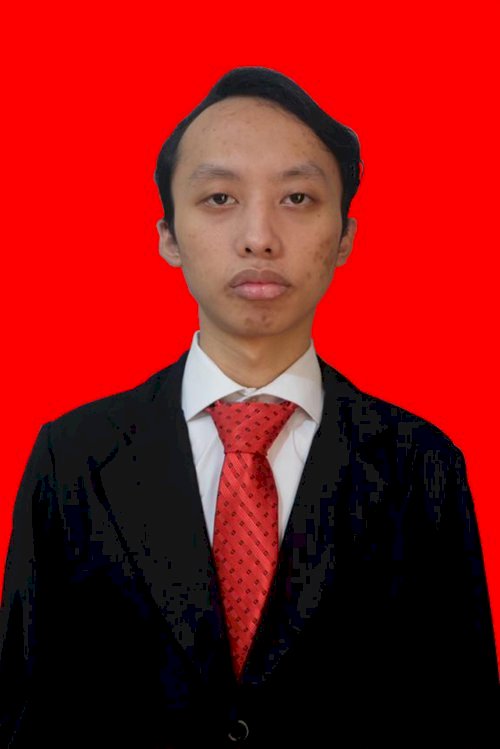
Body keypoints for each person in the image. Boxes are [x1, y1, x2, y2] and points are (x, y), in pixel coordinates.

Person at [0, 66, 498, 748]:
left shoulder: (422, 467)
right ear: (168, 235)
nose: (259, 236)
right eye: (220, 198)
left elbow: (464, 719)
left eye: (297, 197)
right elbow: (23, 715)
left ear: (345, 236)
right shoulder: (74, 458)